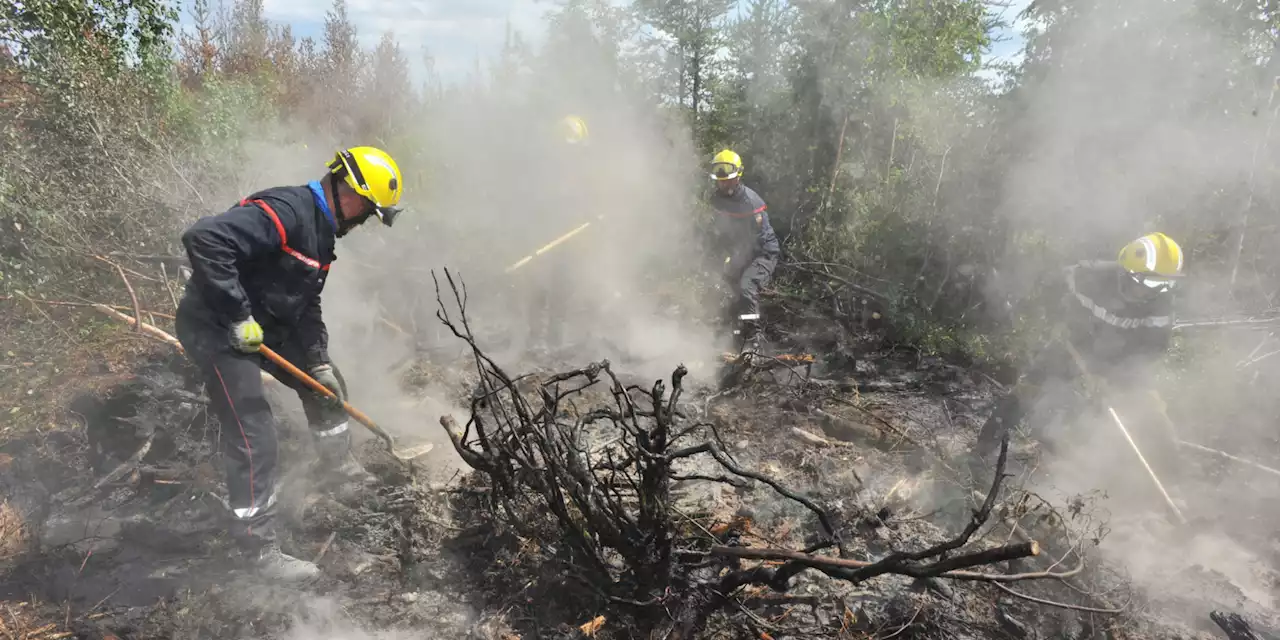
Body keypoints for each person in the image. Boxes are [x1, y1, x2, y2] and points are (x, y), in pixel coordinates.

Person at [175, 146, 404, 581]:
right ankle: (257, 551)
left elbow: (306, 304)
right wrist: (239, 316)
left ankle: (337, 468)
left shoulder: (321, 235)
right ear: (349, 192)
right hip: (217, 329)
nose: (363, 222)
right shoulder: (285, 211)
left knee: (328, 388)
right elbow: (203, 238)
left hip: (264, 326)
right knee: (254, 433)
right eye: (367, 211)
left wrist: (317, 362)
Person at [970, 232, 1184, 466]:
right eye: (1153, 282)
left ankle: (1173, 478)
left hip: (1121, 361)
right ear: (1129, 272)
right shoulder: (1088, 276)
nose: (1159, 290)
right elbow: (1049, 289)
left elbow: (1152, 349)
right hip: (1071, 346)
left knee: (1152, 411)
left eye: (1167, 283)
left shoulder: (1161, 304)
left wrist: (1114, 375)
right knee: (1027, 390)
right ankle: (979, 453)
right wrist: (1056, 319)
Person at [522, 114, 592, 359]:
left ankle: (554, 340)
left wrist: (592, 217)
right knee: (539, 287)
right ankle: (535, 339)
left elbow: (587, 202)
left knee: (563, 287)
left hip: (569, 241)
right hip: (543, 239)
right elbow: (534, 203)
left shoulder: (583, 171)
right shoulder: (545, 171)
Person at [706, 149, 781, 357]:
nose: (724, 185)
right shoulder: (717, 199)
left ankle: (755, 339)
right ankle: (736, 335)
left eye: (728, 180)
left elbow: (755, 240)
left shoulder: (751, 202)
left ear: (738, 176)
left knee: (746, 286)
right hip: (741, 252)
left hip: (763, 253)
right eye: (720, 181)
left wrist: (735, 258)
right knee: (729, 289)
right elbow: (719, 231)